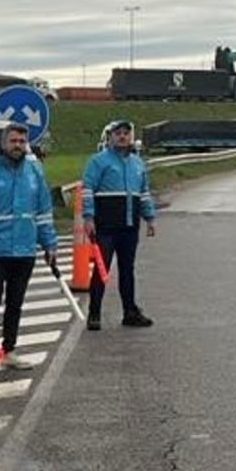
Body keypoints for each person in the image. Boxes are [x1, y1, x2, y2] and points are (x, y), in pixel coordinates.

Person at [0, 123, 59, 375]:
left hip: (25, 250)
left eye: (21, 141)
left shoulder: (34, 172)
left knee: (15, 304)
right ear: (4, 143)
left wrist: (49, 243)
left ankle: (9, 352)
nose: (17, 145)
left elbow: (43, 212)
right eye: (13, 141)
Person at [81, 118, 156, 330]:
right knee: (101, 269)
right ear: (110, 137)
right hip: (105, 225)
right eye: (118, 133)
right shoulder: (98, 161)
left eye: (126, 133)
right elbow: (87, 190)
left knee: (127, 270)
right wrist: (88, 217)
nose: (122, 136)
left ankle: (130, 311)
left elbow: (144, 193)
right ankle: (94, 313)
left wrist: (149, 218)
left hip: (129, 225)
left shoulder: (137, 163)